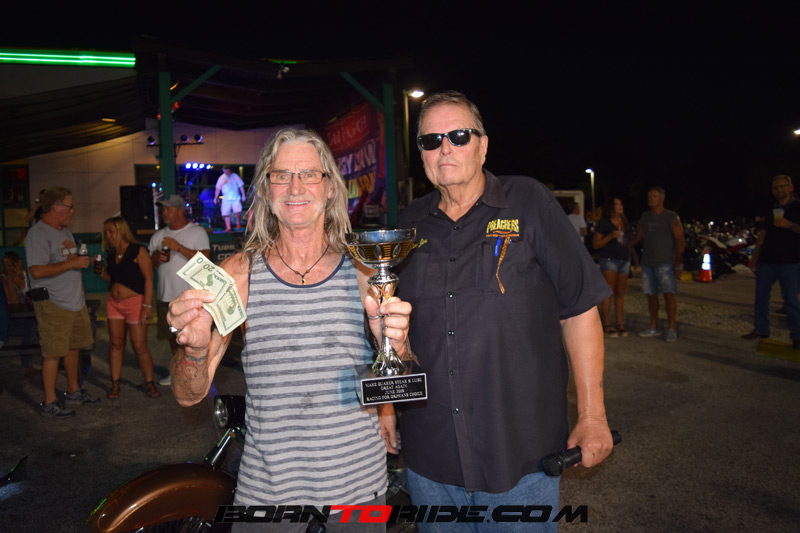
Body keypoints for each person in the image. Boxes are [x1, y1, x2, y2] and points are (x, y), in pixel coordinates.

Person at [165, 128, 411, 531]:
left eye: (309, 174)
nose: (295, 187)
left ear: (329, 188)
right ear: (266, 189)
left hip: (357, 488)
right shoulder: (237, 276)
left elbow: (397, 374)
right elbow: (187, 394)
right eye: (281, 175)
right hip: (268, 492)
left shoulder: (364, 270)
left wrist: (396, 348)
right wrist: (192, 350)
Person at [395, 91, 613, 531]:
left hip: (521, 456)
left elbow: (578, 309)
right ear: (421, 155)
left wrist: (592, 416)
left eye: (459, 136)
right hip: (430, 456)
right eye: (431, 141)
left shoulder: (528, 201)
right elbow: (394, 330)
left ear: (483, 145)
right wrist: (387, 409)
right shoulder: (409, 224)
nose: (445, 148)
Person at [24, 187, 99, 418]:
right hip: (53, 303)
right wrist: (71, 263)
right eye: (69, 206)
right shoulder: (38, 234)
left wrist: (81, 294)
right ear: (56, 207)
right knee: (52, 353)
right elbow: (36, 271)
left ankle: (73, 391)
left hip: (74, 301)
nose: (72, 211)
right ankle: (49, 401)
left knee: (73, 347)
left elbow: (72, 266)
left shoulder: (66, 232)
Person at [147, 195, 210, 386]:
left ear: (180, 211)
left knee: (192, 338)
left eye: (169, 209)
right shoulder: (158, 236)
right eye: (163, 209)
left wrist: (179, 248)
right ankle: (179, 372)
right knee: (172, 337)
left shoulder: (196, 232)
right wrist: (156, 259)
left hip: (189, 297)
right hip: (165, 296)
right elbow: (149, 263)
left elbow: (206, 259)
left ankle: (197, 373)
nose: (164, 213)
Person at [101, 217, 160, 399]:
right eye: (106, 232)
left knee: (139, 346)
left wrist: (147, 306)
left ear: (121, 231)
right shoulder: (112, 253)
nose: (107, 235)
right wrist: (100, 271)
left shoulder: (138, 250)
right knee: (115, 344)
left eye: (111, 231)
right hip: (114, 304)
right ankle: (115, 384)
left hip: (135, 303)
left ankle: (149, 382)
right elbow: (112, 279)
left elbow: (148, 279)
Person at [741, 174, 800, 348]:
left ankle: (797, 336)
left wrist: (790, 225)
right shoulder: (772, 208)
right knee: (760, 296)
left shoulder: (797, 207)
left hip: (789, 260)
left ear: (790, 187)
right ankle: (761, 329)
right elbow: (764, 233)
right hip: (767, 259)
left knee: (790, 299)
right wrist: (755, 255)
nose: (779, 189)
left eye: (783, 186)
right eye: (776, 187)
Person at [632, 186, 685, 342]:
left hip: (665, 263)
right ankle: (653, 326)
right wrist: (628, 246)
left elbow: (680, 240)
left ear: (662, 199)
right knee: (651, 295)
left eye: (654, 196)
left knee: (668, 295)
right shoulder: (645, 217)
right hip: (648, 263)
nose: (650, 199)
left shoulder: (670, 217)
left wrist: (677, 264)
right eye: (649, 196)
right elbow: (638, 236)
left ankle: (671, 328)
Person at [593, 196, 634, 337]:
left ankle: (620, 324)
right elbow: (596, 244)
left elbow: (629, 242)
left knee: (620, 293)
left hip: (624, 260)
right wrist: (610, 236)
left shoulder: (625, 223)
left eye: (621, 204)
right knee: (609, 291)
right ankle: (607, 324)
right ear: (611, 207)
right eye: (617, 204)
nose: (620, 206)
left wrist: (633, 256)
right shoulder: (604, 224)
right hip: (609, 259)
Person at [1, 251, 38, 375]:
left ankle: (57, 359)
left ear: (18, 263)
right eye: (6, 265)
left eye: (11, 265)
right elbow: (14, 301)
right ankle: (26, 365)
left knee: (41, 325)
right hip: (12, 319)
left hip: (28, 314)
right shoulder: (3, 279)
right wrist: (10, 282)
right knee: (32, 328)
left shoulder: (26, 275)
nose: (9, 268)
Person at [214, 166, 246, 232]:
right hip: (226, 198)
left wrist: (243, 195)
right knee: (226, 213)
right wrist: (216, 197)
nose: (226, 172)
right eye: (225, 170)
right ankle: (228, 227)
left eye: (227, 170)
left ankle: (238, 223)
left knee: (237, 211)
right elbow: (218, 188)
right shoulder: (221, 178)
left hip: (235, 197)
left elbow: (241, 186)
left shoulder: (235, 176)